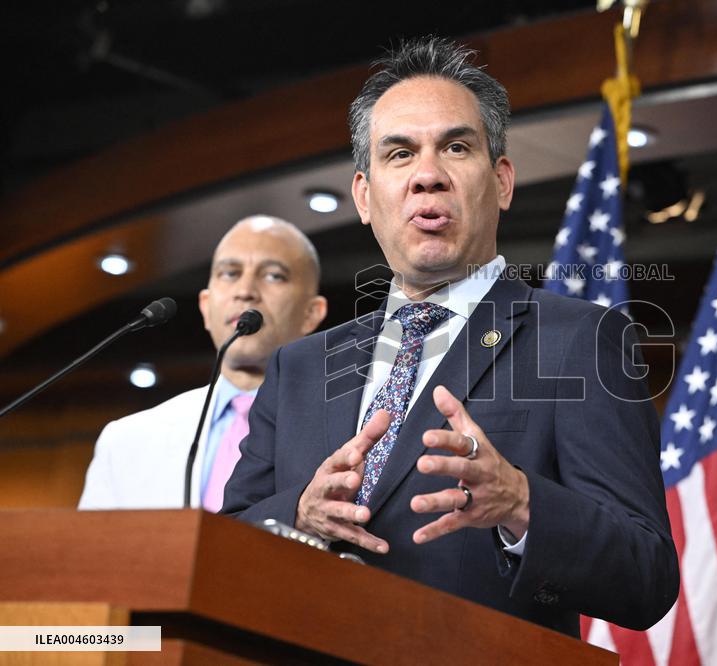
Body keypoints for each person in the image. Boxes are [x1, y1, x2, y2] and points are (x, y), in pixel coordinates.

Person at [223, 37, 679, 636]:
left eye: (456, 148)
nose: (427, 177)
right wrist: (300, 514)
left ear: (503, 182)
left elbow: (646, 575)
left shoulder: (580, 341)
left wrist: (521, 505)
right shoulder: (299, 368)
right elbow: (226, 545)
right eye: (399, 154)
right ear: (364, 196)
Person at [78, 215, 328, 510]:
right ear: (206, 308)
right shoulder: (125, 441)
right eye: (230, 273)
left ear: (312, 313)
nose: (245, 291)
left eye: (274, 276)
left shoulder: (343, 434)